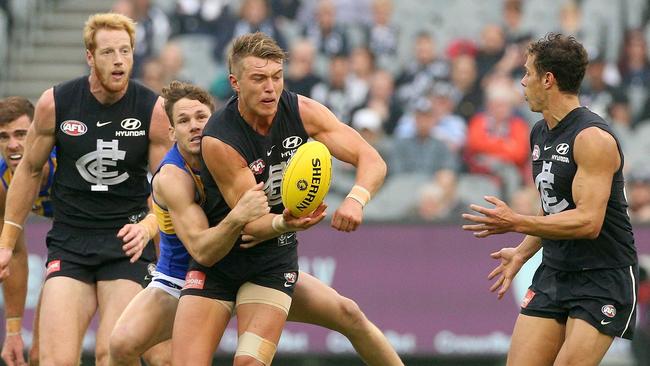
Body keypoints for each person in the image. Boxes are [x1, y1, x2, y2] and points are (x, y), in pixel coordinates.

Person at [110, 80, 403, 366]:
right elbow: (204, 250)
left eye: (201, 117)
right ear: (172, 132)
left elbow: (266, 211)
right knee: (122, 345)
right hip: (188, 276)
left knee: (349, 313)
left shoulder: (236, 142)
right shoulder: (173, 177)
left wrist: (281, 222)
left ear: (213, 120)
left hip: (257, 265)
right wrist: (240, 220)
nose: (195, 125)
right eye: (184, 120)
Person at [172, 32, 391, 365]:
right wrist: (284, 221)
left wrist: (356, 199)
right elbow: (250, 226)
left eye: (276, 77)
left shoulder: (301, 110)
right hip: (217, 263)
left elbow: (371, 158)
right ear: (235, 82)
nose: (270, 87)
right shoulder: (219, 138)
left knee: (255, 359)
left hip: (270, 264)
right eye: (258, 78)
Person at [0, 13, 172, 366]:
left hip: (127, 247)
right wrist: (5, 244)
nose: (119, 60)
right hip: (70, 244)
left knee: (114, 354)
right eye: (108, 52)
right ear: (90, 56)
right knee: (51, 359)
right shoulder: (56, 103)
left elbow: (170, 188)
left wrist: (148, 227)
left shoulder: (151, 109)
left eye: (126, 51)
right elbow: (30, 171)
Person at [462, 33, 638, 366]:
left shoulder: (592, 138)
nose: (522, 82)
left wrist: (515, 221)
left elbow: (588, 222)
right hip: (556, 271)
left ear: (548, 79)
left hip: (602, 275)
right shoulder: (540, 132)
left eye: (527, 73)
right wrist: (522, 252)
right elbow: (552, 209)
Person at [0, 96, 55, 366]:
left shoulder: (65, 163)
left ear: (37, 132)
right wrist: (13, 331)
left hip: (126, 239)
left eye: (21, 134)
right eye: (3, 137)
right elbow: (16, 254)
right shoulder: (3, 185)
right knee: (40, 355)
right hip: (75, 250)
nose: (12, 145)